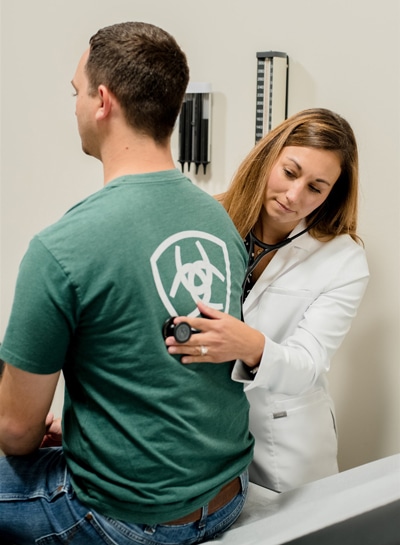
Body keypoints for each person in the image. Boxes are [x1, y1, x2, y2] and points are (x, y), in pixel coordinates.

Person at [0, 22, 254, 544]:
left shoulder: (61, 246)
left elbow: (17, 433)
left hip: (131, 520)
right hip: (229, 492)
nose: (74, 105)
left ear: (103, 102)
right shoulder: (218, 222)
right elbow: (162, 374)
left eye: (77, 91)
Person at [165, 108, 370, 492]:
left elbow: (309, 363)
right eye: (290, 173)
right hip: (203, 431)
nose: (294, 196)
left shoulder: (343, 258)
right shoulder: (208, 219)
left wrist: (249, 345)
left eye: (316, 187)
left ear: (332, 194)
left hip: (287, 446)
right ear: (268, 159)